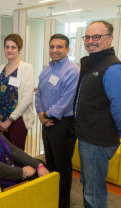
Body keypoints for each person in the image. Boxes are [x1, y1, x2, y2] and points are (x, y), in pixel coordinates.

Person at [75, 20, 121, 208]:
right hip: (88, 137)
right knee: (89, 184)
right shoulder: (93, 63)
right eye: (88, 37)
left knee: (94, 192)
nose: (91, 41)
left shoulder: (113, 68)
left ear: (110, 39)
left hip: (97, 141)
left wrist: (119, 128)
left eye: (97, 37)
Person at [35, 34, 79, 208]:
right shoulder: (46, 70)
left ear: (68, 49)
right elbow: (38, 94)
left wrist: (47, 115)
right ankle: (51, 198)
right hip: (47, 123)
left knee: (62, 166)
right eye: (52, 47)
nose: (55, 50)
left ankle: (62, 203)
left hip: (63, 124)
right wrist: (40, 113)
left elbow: (66, 100)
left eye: (59, 47)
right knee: (50, 162)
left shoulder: (72, 71)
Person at [0, 34, 35, 150]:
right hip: (1, 120)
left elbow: (27, 98)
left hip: (18, 120)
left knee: (17, 155)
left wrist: (10, 120)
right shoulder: (0, 69)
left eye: (13, 47)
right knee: (2, 154)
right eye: (7, 47)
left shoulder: (27, 68)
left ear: (20, 50)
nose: (9, 50)